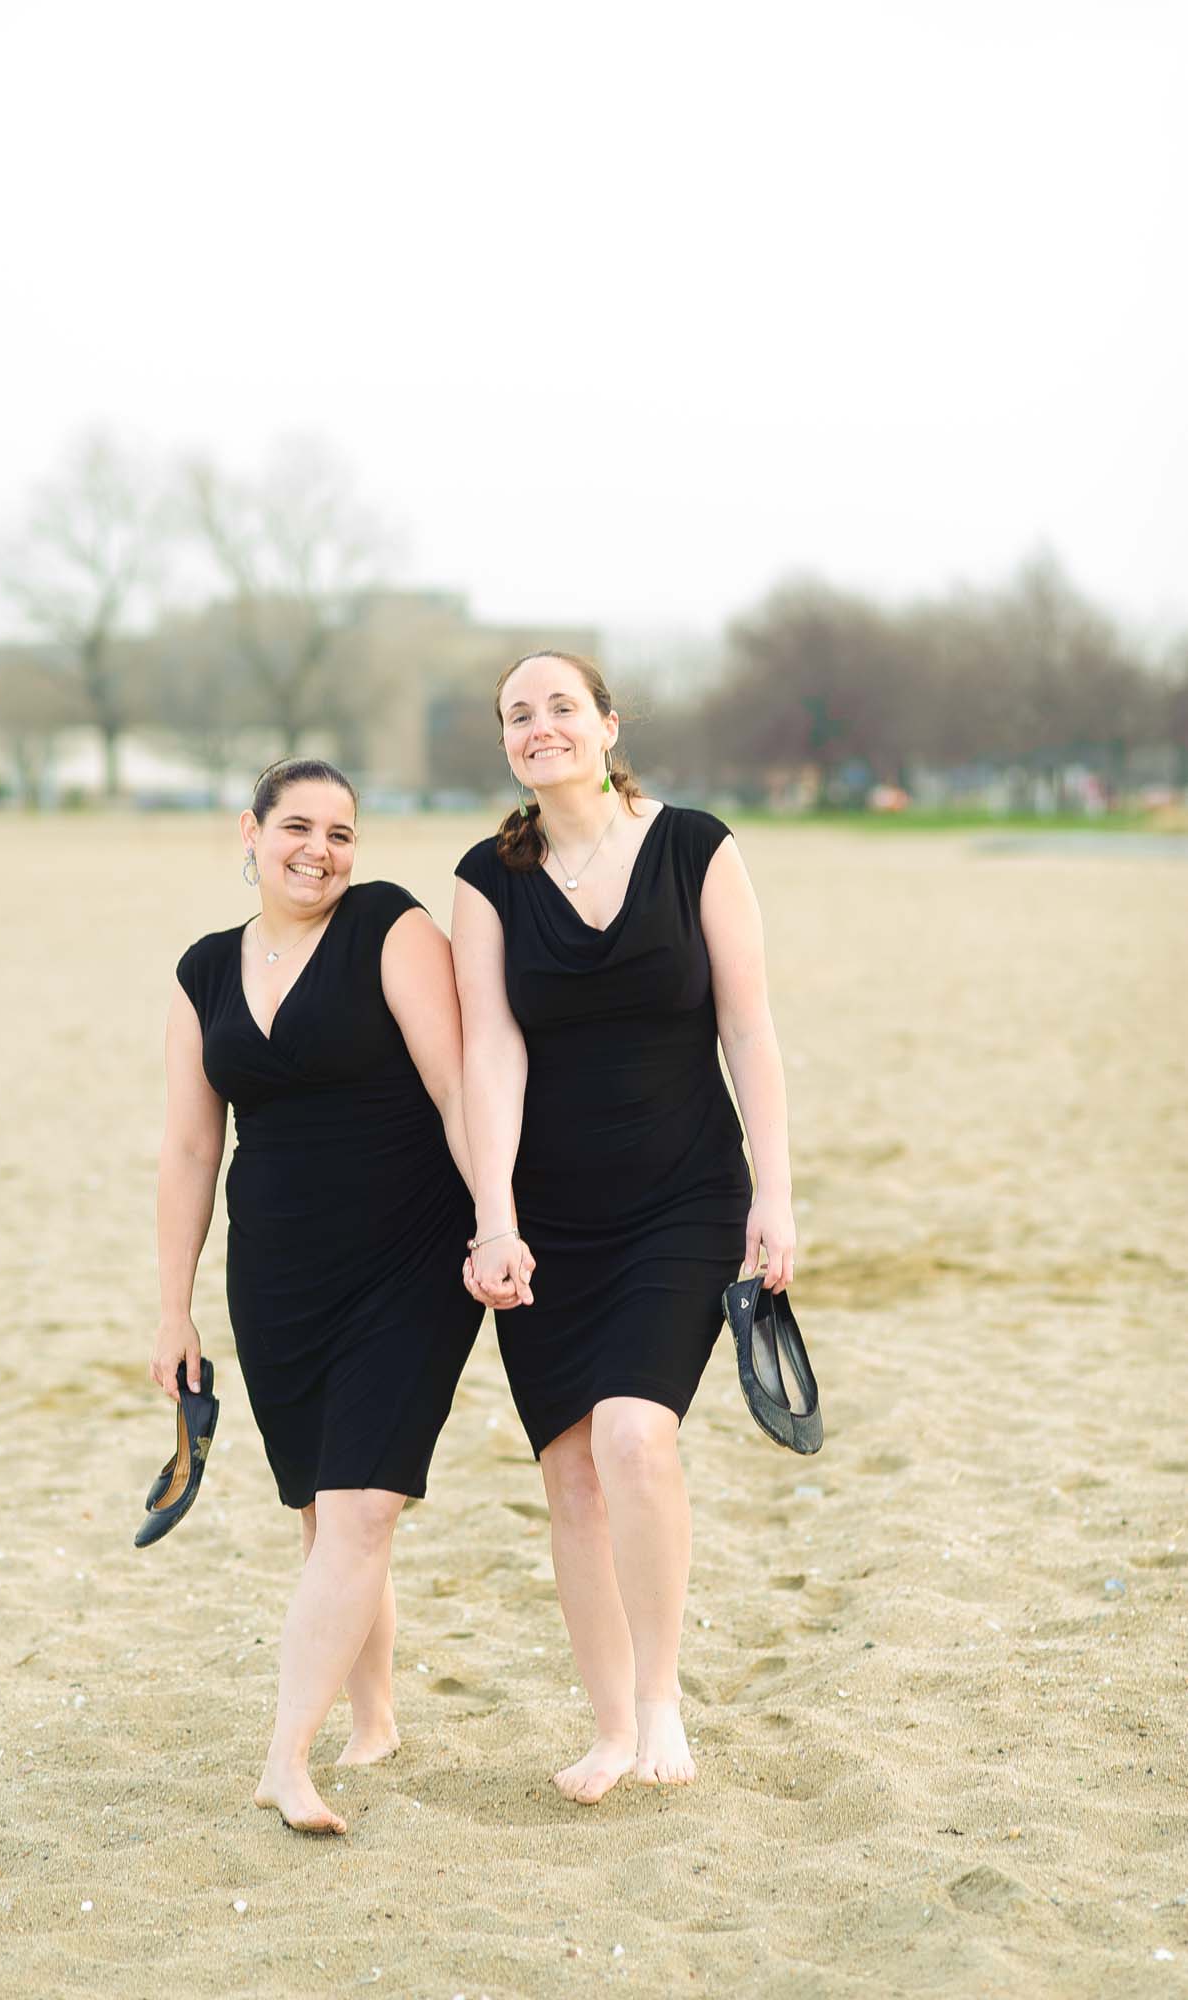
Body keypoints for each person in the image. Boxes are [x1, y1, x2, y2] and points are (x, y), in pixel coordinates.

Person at [452, 652, 797, 1804]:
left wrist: (774, 1193)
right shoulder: (483, 877)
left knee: (636, 1436)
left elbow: (747, 1029)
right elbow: (488, 1052)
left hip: (683, 1194)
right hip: (548, 1214)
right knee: (569, 1473)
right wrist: (492, 1216)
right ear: (504, 741)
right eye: (517, 714)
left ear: (606, 723)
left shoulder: (696, 845)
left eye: (561, 707)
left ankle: (660, 1699)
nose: (540, 727)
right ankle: (607, 1727)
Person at [150, 758, 483, 1835]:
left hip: (411, 1258)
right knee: (325, 1514)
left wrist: (498, 1217)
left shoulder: (390, 924)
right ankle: (373, 1717)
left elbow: (454, 1083)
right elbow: (191, 1147)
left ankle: (284, 1758)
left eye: (341, 832)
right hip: (278, 1272)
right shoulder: (203, 970)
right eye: (297, 826)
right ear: (247, 832)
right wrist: (174, 1307)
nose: (320, 850)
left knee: (360, 1504)